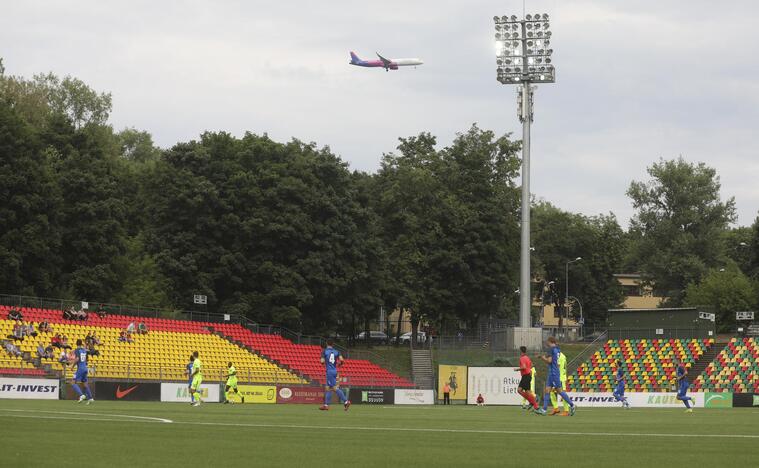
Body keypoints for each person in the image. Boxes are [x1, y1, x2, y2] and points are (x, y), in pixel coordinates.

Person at [537, 337, 576, 416]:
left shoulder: (551, 349)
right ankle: (544, 409)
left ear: (550, 341)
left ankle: (572, 405)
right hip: (552, 373)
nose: (546, 343)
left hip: (554, 373)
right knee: (547, 390)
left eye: (547, 341)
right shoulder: (558, 349)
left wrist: (542, 357)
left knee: (559, 391)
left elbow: (549, 361)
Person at [319, 340, 350, 411]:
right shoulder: (337, 351)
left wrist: (324, 363)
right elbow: (342, 360)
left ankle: (346, 401)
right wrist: (340, 364)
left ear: (326, 344)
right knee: (328, 388)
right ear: (333, 344)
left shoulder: (324, 351)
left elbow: (322, 361)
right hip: (334, 370)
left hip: (329, 371)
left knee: (334, 388)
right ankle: (326, 405)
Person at [516, 346, 539, 412]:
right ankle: (532, 402)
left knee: (527, 392)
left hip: (526, 376)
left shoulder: (522, 358)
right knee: (519, 390)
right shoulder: (527, 358)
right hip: (527, 376)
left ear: (521, 351)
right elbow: (531, 365)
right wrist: (529, 371)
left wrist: (517, 369)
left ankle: (535, 404)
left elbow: (524, 367)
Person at [71, 339, 94, 404]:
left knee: (73, 382)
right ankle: (90, 398)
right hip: (85, 368)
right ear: (81, 344)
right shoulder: (84, 350)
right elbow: (86, 359)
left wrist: (72, 366)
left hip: (80, 369)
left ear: (76, 343)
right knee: (85, 384)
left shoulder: (77, 350)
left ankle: (81, 395)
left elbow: (77, 359)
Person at [550, 349, 571, 416]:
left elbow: (557, 367)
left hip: (559, 378)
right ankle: (556, 408)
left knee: (562, 394)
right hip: (562, 377)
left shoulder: (558, 356)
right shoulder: (563, 356)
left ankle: (566, 411)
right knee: (552, 392)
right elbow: (565, 367)